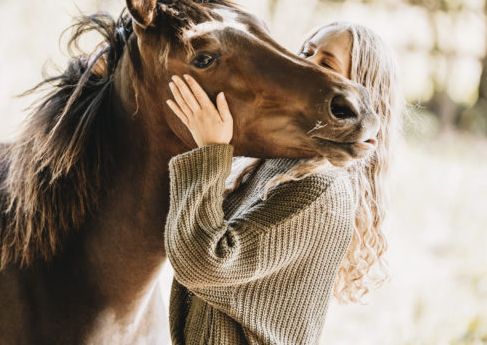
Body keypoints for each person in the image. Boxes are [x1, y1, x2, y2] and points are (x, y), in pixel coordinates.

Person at [164, 21, 402, 345]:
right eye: (306, 51)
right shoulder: (273, 161)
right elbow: (187, 221)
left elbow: (204, 264)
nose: (306, 63)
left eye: (326, 62)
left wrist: (210, 151)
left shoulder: (321, 189)